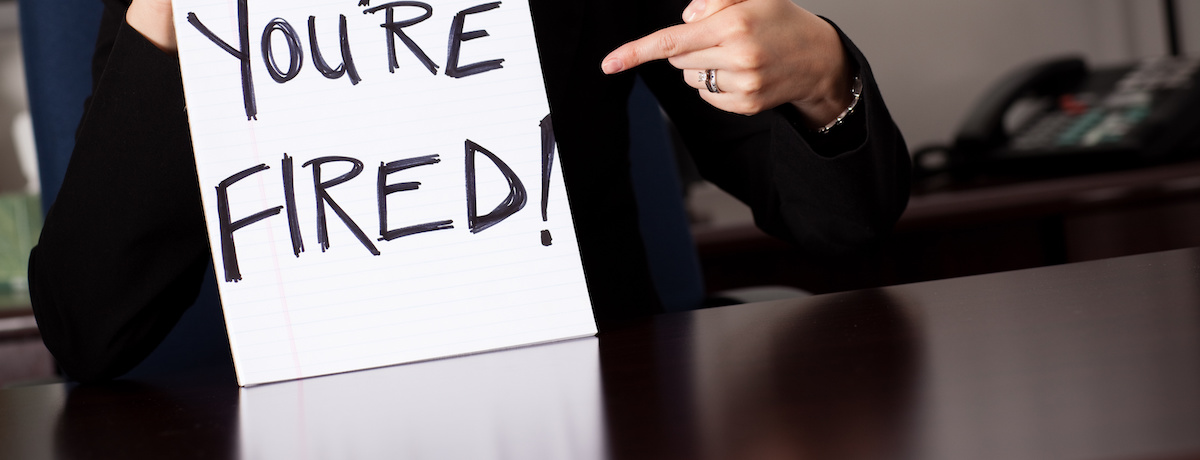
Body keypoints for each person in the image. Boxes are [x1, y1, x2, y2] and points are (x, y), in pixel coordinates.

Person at [29, 0, 910, 382]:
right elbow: (89, 330)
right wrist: (164, 25)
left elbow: (843, 223)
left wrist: (823, 74)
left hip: (600, 409)